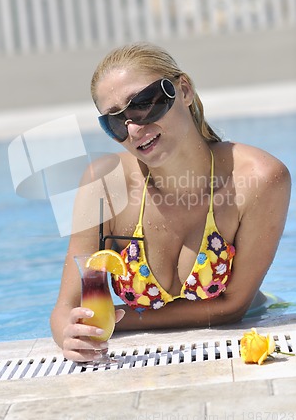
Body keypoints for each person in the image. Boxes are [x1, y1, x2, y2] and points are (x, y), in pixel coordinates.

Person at [50, 42, 291, 363]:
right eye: (116, 121)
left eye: (144, 103)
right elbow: (65, 309)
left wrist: (116, 321)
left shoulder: (258, 178)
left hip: (253, 326)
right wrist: (70, 335)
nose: (134, 128)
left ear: (185, 90)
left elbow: (233, 306)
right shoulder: (103, 185)